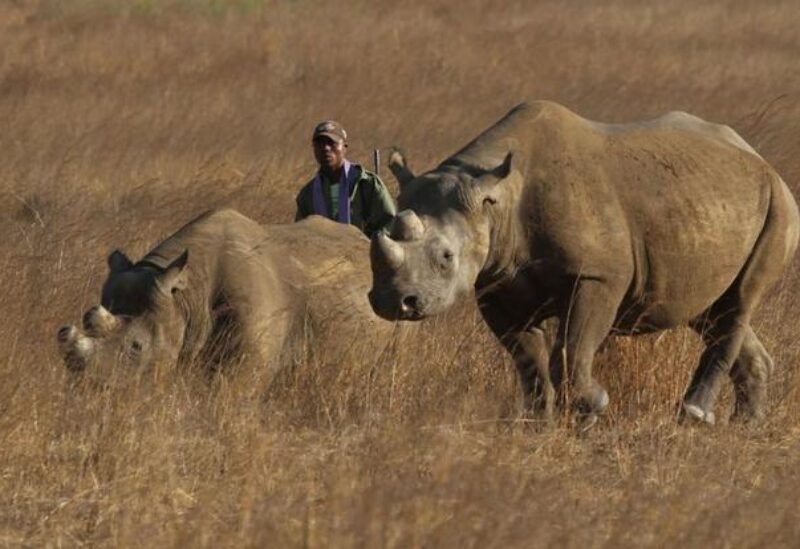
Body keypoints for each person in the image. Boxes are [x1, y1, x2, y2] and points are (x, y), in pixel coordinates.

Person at [295, 120, 396, 237]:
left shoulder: (366, 183)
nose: (326, 148)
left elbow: (389, 222)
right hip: (322, 253)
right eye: (320, 143)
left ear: (344, 147)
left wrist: (370, 244)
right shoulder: (308, 194)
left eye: (331, 142)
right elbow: (300, 234)